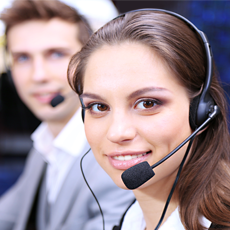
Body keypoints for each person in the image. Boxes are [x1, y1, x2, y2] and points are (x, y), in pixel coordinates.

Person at [68, 9, 230, 230]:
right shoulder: (130, 222)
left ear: (202, 111)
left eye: (147, 103)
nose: (117, 133)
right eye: (99, 107)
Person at [0, 1, 135, 230]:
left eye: (56, 54)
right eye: (23, 58)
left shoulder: (121, 152)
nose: (38, 75)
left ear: (91, 61)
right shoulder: (45, 143)